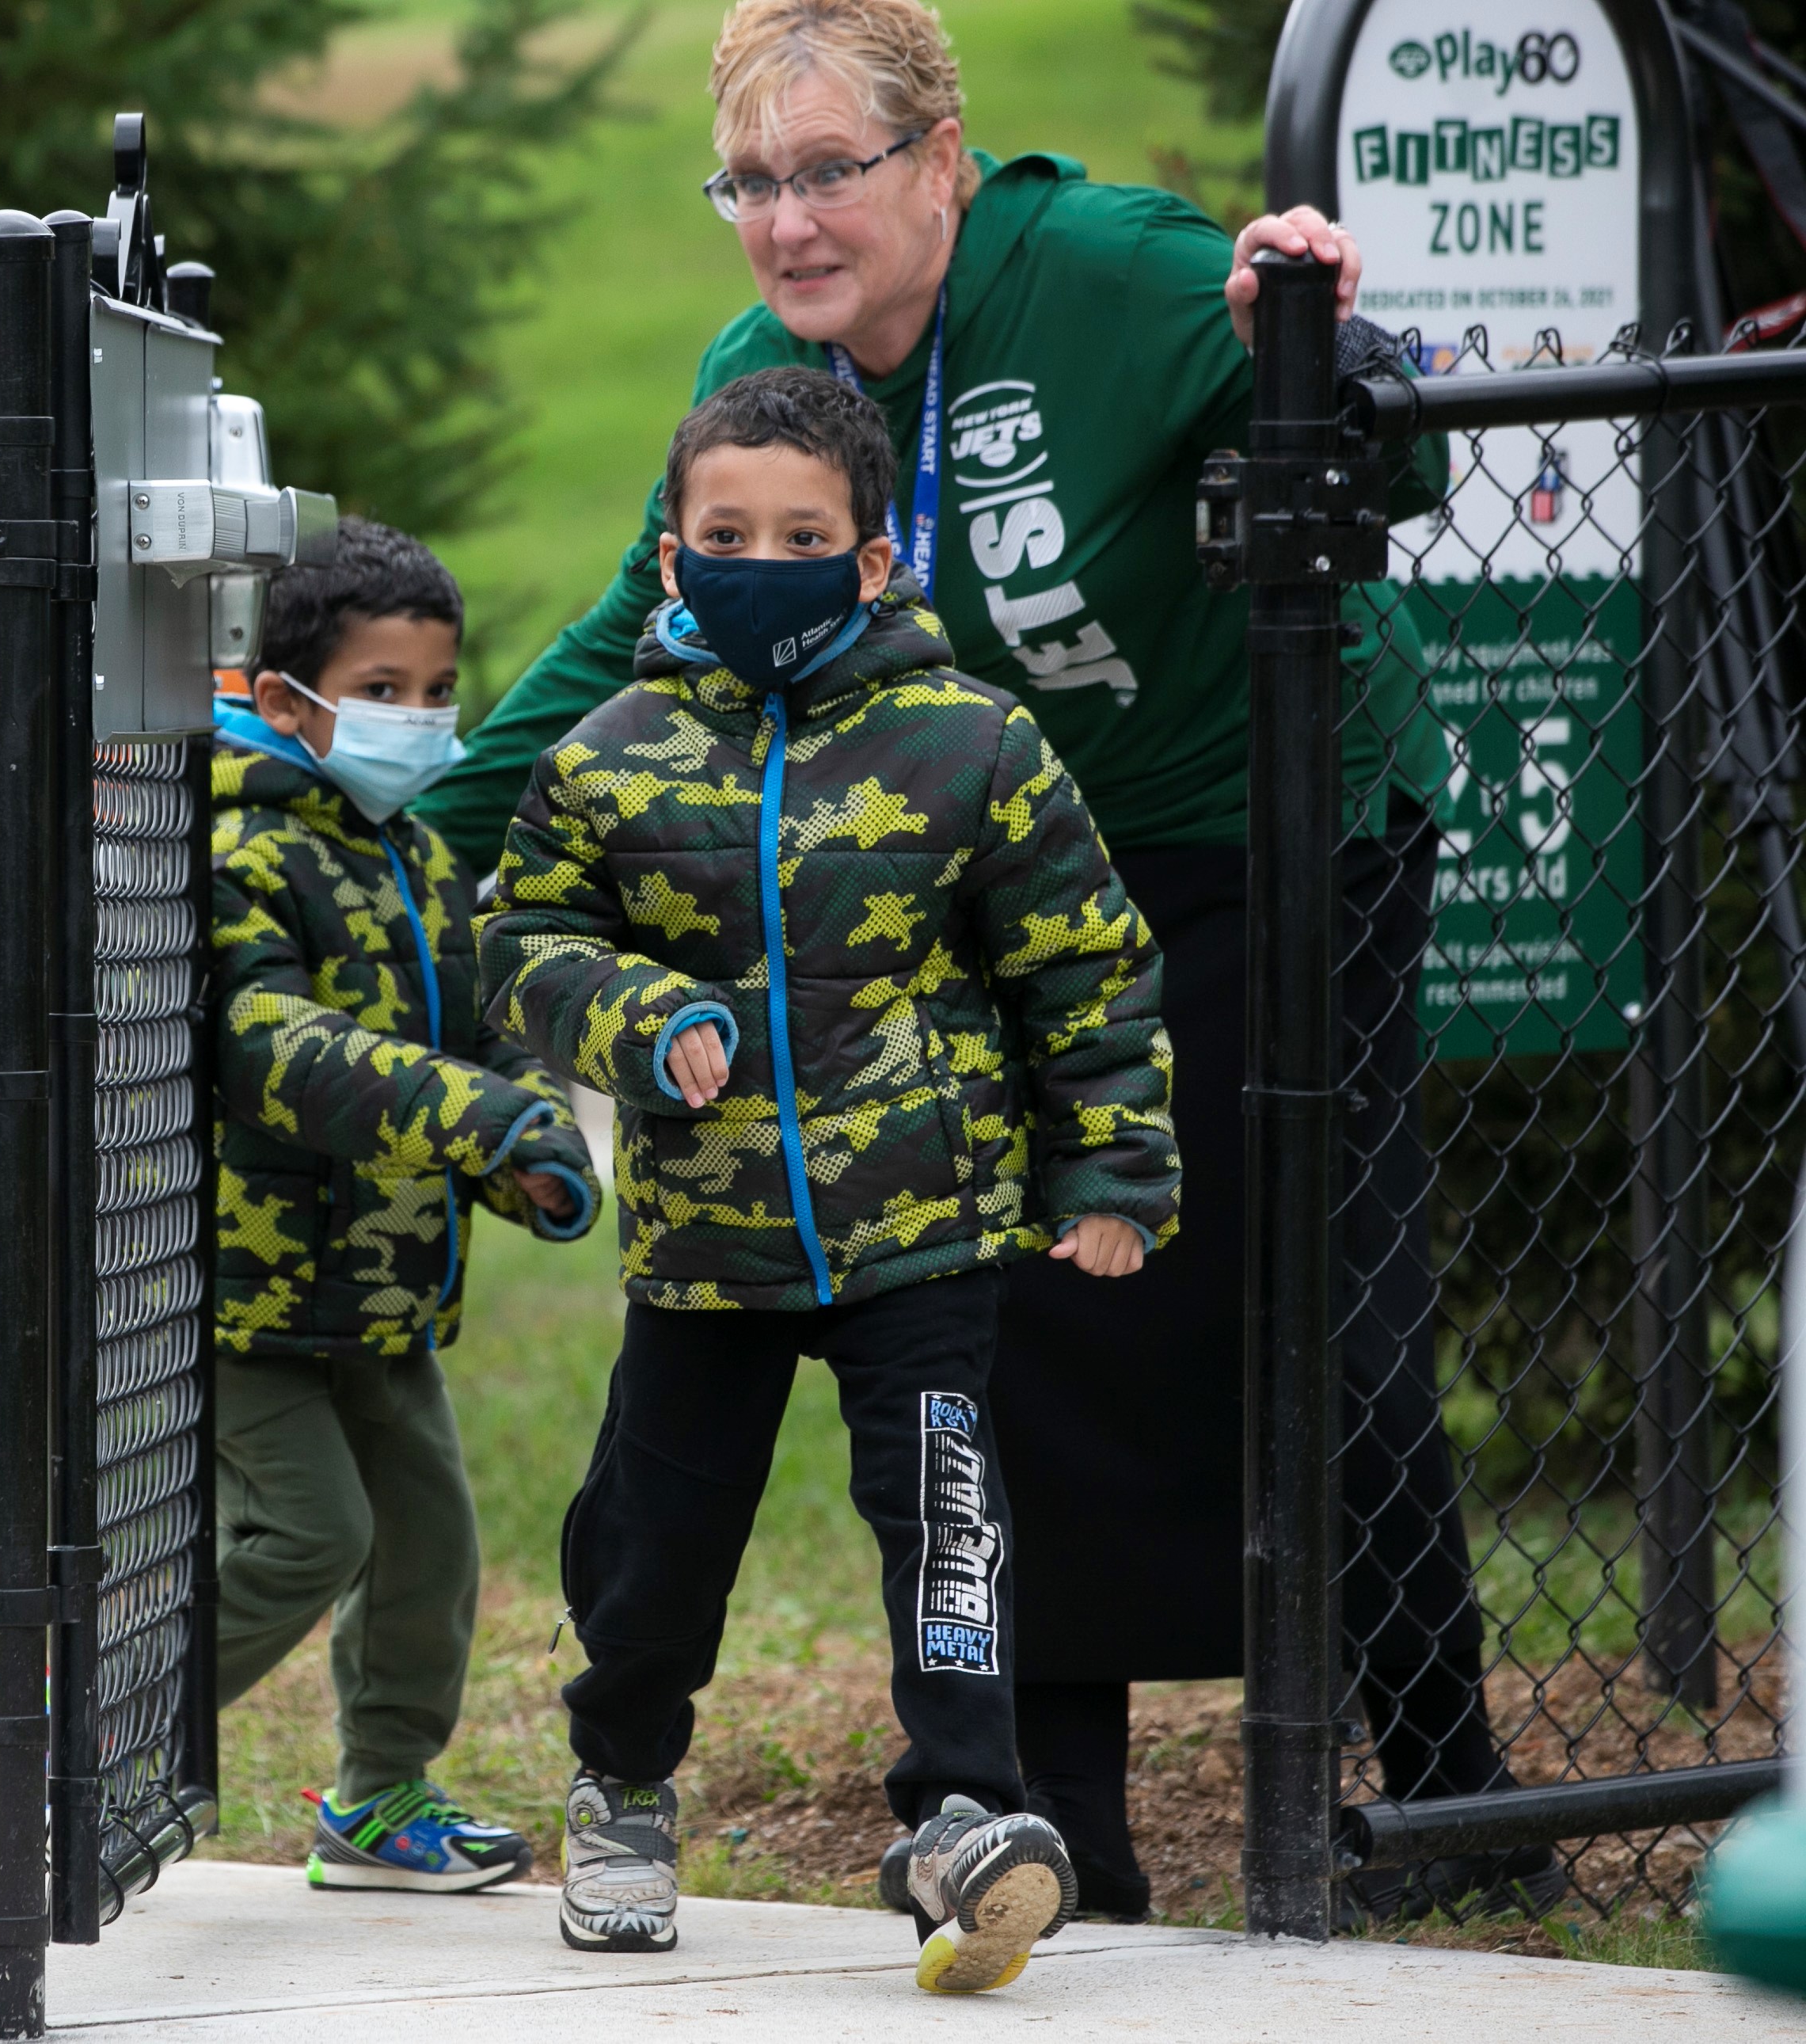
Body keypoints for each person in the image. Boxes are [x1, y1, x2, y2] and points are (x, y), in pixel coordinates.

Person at [424, 0, 1541, 1925]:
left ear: (941, 161)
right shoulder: (760, 375)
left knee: (1314, 1299)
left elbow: (1384, 450)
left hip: (1272, 831)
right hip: (1002, 873)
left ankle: (1450, 1790)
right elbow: (634, 637)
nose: (784, 221)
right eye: (751, 182)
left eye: (827, 170)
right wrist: (407, 831)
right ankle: (1052, 1822)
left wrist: (1312, 331)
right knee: (1020, 1308)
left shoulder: (1101, 262)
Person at [475, 367, 1181, 1989]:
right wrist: (638, 1017)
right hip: (700, 1250)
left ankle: (960, 1813)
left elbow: (1085, 966)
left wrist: (1113, 1170)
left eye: (800, 534)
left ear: (873, 560)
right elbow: (518, 944)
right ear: (672, 553)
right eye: (725, 531)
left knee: (946, 1525)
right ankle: (625, 1782)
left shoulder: (972, 742)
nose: (758, 558)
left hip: (916, 1238)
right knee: (650, 1547)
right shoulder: (608, 757)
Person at [211, 518, 603, 1894]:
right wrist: (468, 1110)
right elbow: (263, 1040)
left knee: (429, 1537)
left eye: (439, 694)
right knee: (314, 1531)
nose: (421, 721)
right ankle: (100, 1737)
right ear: (284, 701)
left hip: (381, 1286)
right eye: (382, 693)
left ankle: (381, 1798)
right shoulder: (242, 849)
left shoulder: (419, 851)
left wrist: (523, 1138)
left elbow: (471, 1028)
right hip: (244, 1289)